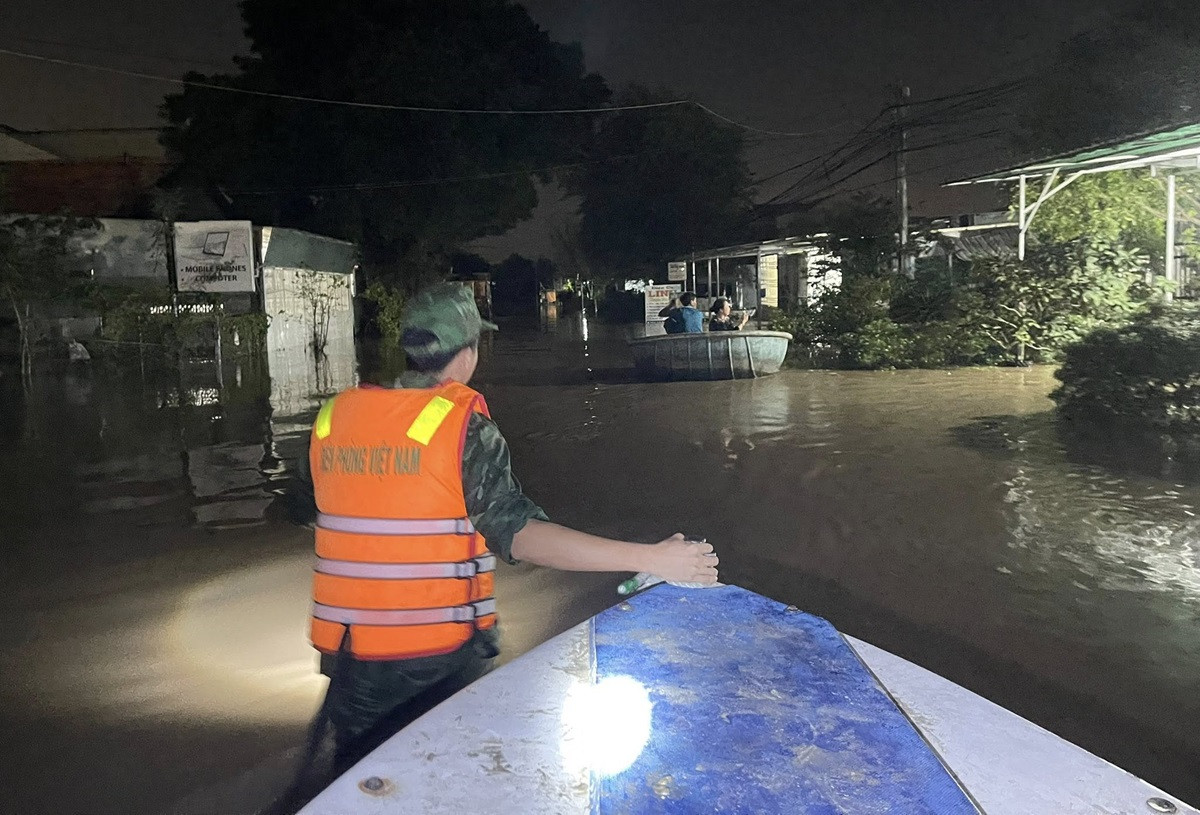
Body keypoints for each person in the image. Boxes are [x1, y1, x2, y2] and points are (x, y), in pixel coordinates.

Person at [305, 282, 718, 773]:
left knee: (360, 783)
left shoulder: (335, 416)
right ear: (467, 354)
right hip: (432, 662)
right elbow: (520, 534)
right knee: (446, 783)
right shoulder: (462, 427)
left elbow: (324, 507)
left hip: (346, 655)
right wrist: (651, 558)